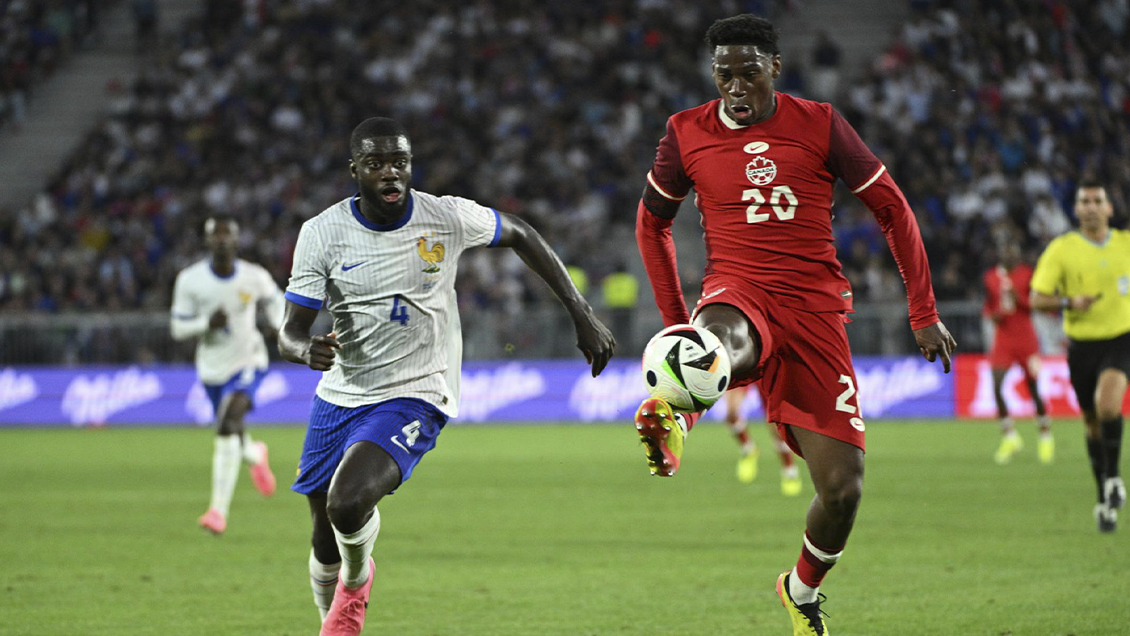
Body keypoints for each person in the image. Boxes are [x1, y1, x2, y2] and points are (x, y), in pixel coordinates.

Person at [631, 15, 956, 635]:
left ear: (775, 69)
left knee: (843, 492)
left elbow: (892, 208)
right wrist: (678, 328)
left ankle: (800, 591)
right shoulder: (684, 133)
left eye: (748, 72)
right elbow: (652, 224)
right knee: (717, 345)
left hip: (815, 313)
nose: (734, 87)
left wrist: (924, 311)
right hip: (738, 293)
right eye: (723, 74)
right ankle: (674, 412)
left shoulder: (821, 123)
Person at [278, 117, 614, 636]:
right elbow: (290, 331)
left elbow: (522, 233)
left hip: (418, 390)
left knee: (348, 502)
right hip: (341, 391)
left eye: (400, 162)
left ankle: (355, 585)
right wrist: (306, 350)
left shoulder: (446, 216)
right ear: (355, 171)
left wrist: (581, 312)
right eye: (376, 164)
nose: (391, 173)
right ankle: (333, 616)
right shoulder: (322, 234)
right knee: (324, 530)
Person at [170, 215, 283, 535]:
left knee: (227, 421)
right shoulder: (190, 280)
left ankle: (217, 512)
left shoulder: (253, 276)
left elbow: (276, 301)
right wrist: (206, 323)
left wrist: (279, 325)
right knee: (233, 431)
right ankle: (255, 453)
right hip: (212, 368)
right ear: (206, 241)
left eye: (227, 235)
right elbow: (177, 327)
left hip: (249, 361)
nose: (221, 240)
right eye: (215, 235)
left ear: (236, 240)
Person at [1030, 180, 1130, 533]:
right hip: (1081, 346)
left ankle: (1115, 479)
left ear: (1109, 208)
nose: (1090, 206)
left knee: (1107, 407)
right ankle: (1104, 498)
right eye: (1084, 200)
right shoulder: (1062, 250)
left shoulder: (1126, 244)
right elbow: (1037, 298)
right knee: (1091, 423)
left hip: (1121, 340)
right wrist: (1069, 302)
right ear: (1076, 209)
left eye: (1096, 200)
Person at [983, 239, 1053, 464]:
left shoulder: (1028, 274)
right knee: (996, 384)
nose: (1010, 256)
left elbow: (1035, 304)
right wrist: (992, 314)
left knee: (1033, 388)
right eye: (1006, 251)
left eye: (1014, 252)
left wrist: (1017, 298)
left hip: (1026, 339)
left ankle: (1045, 435)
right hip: (1004, 338)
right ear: (1001, 254)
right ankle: (1010, 436)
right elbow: (988, 304)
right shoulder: (991, 277)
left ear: (1019, 255)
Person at [723, 385, 802, 495]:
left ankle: (789, 471)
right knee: (731, 412)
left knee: (776, 428)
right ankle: (748, 450)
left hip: (764, 371)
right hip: (745, 368)